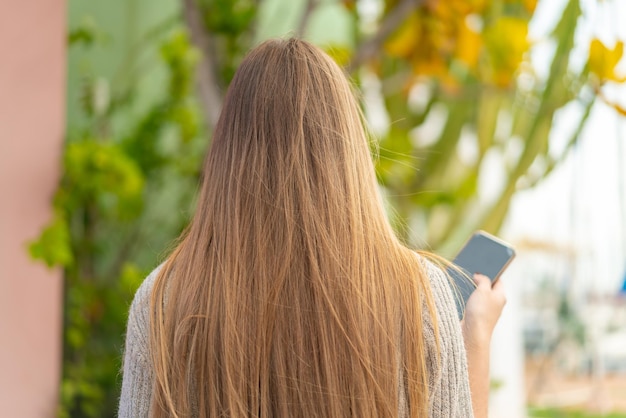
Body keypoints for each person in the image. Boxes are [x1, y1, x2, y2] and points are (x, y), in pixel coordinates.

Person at [118, 38, 506, 418]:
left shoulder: (162, 301)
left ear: (227, 155)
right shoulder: (420, 294)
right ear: (349, 151)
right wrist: (475, 340)